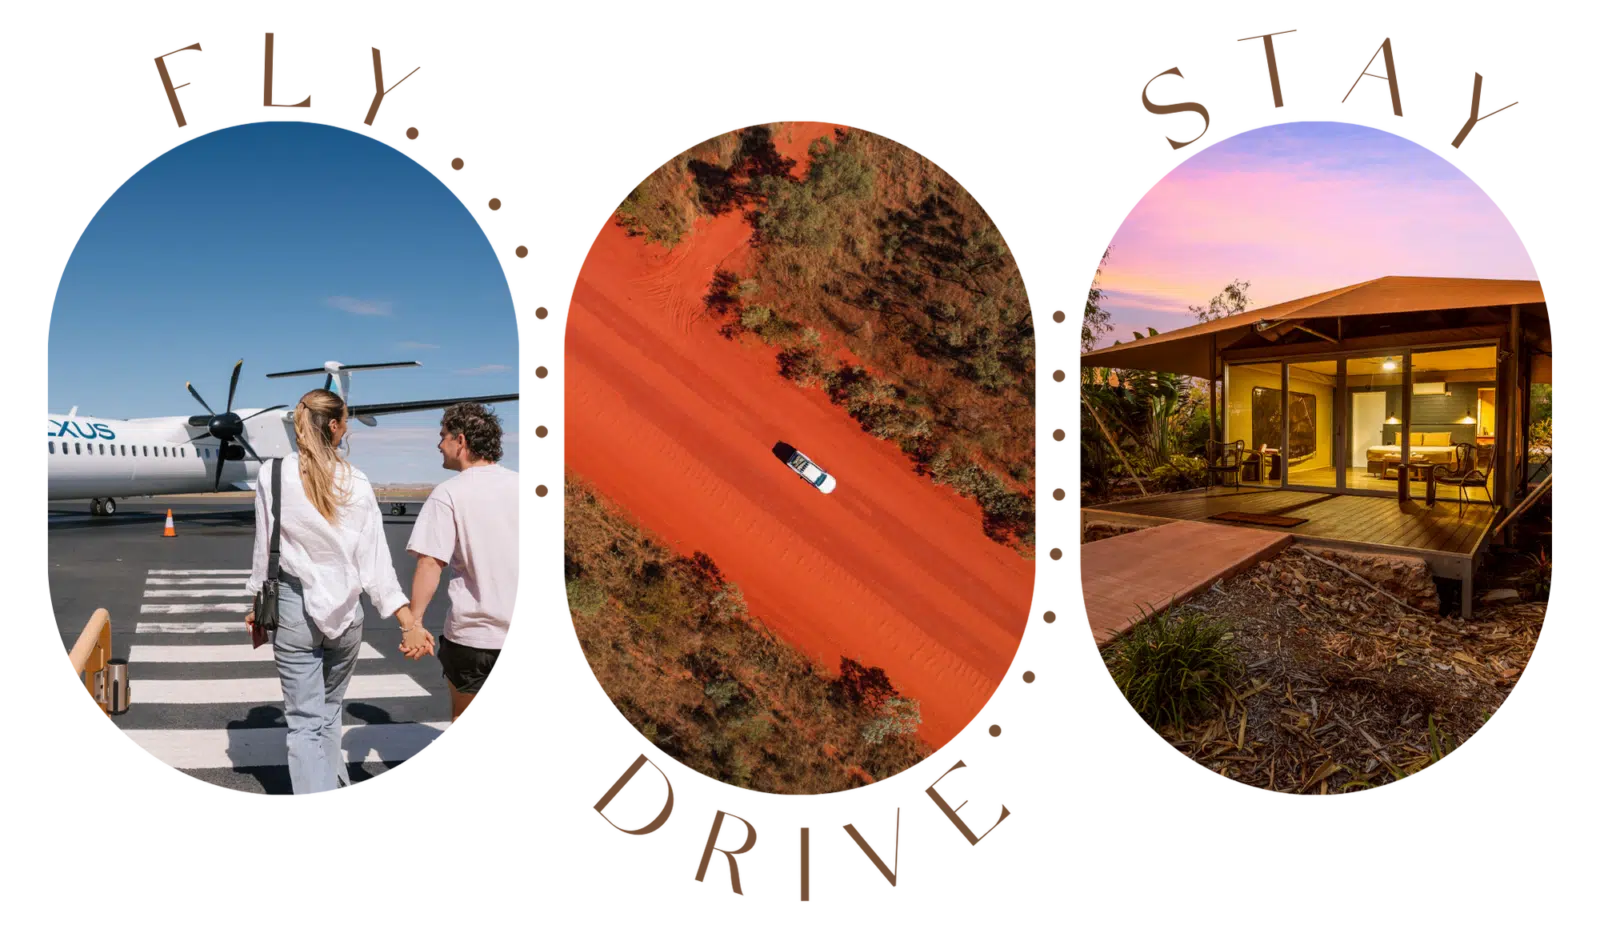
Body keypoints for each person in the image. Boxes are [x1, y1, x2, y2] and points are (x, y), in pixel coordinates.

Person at [243, 389, 428, 800]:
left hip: (292, 610)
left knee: (304, 722)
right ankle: (333, 783)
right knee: (329, 711)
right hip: (347, 614)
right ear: (335, 427)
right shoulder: (357, 482)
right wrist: (408, 622)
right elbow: (376, 564)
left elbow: (264, 549)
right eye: (346, 420)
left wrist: (257, 606)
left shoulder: (273, 474)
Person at [404, 402, 526, 727]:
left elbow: (431, 563)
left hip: (474, 638)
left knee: (463, 716)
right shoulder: (526, 485)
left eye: (443, 436)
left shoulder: (448, 494)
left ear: (461, 441)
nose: (438, 444)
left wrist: (413, 623)